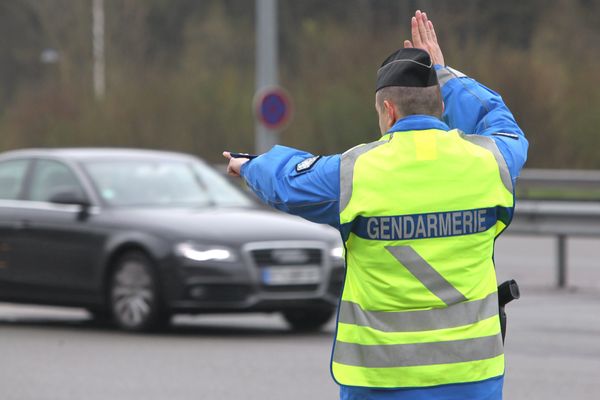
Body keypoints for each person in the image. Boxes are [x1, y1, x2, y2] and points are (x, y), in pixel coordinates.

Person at [223, 10, 528, 400]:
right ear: (440, 105)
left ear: (389, 111)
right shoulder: (490, 163)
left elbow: (287, 181)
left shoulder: (355, 173)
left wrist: (249, 166)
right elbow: (501, 123)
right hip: (473, 377)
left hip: (382, 382)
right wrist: (445, 74)